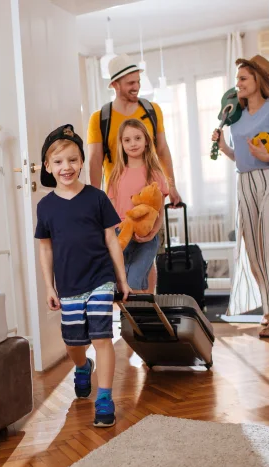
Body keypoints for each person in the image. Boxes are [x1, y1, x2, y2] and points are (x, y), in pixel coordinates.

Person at [35, 124, 131, 428]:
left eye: (73, 160)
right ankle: (81, 366)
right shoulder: (46, 207)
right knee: (73, 342)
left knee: (102, 337)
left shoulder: (96, 198)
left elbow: (112, 241)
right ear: (48, 167)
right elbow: (46, 250)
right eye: (59, 162)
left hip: (100, 279)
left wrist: (122, 280)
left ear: (81, 162)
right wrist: (49, 287)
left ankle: (104, 398)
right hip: (68, 286)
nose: (67, 167)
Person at [87, 53, 182, 292]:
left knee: (148, 257)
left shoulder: (152, 110)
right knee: (121, 258)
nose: (136, 87)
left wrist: (171, 184)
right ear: (114, 85)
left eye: (138, 81)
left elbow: (162, 149)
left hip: (151, 199)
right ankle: (131, 312)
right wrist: (95, 200)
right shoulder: (100, 118)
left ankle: (147, 310)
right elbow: (95, 160)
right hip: (117, 201)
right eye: (130, 83)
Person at [211, 54, 269, 338]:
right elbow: (239, 156)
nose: (238, 84)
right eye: (237, 79)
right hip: (244, 182)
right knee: (253, 251)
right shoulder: (237, 117)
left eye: (243, 78)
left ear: (259, 81)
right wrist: (223, 146)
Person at [108, 119, 168, 293]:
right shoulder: (116, 175)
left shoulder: (154, 173)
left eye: (137, 138)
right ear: (121, 143)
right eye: (127, 140)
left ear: (146, 141)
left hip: (146, 237)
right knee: (122, 284)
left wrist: (152, 234)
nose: (133, 144)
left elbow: (159, 211)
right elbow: (110, 211)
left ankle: (141, 318)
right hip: (121, 236)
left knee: (134, 281)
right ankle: (131, 319)